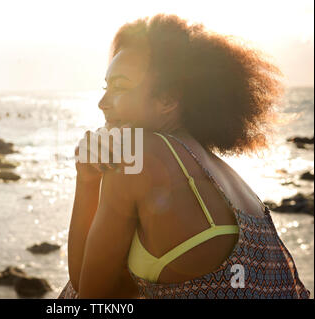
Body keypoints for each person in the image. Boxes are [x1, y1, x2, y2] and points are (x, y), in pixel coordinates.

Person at [58, 14, 310, 299]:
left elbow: (90, 296)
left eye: (120, 87)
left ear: (167, 100)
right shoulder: (223, 173)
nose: (102, 103)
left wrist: (87, 181)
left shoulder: (139, 152)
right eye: (106, 87)